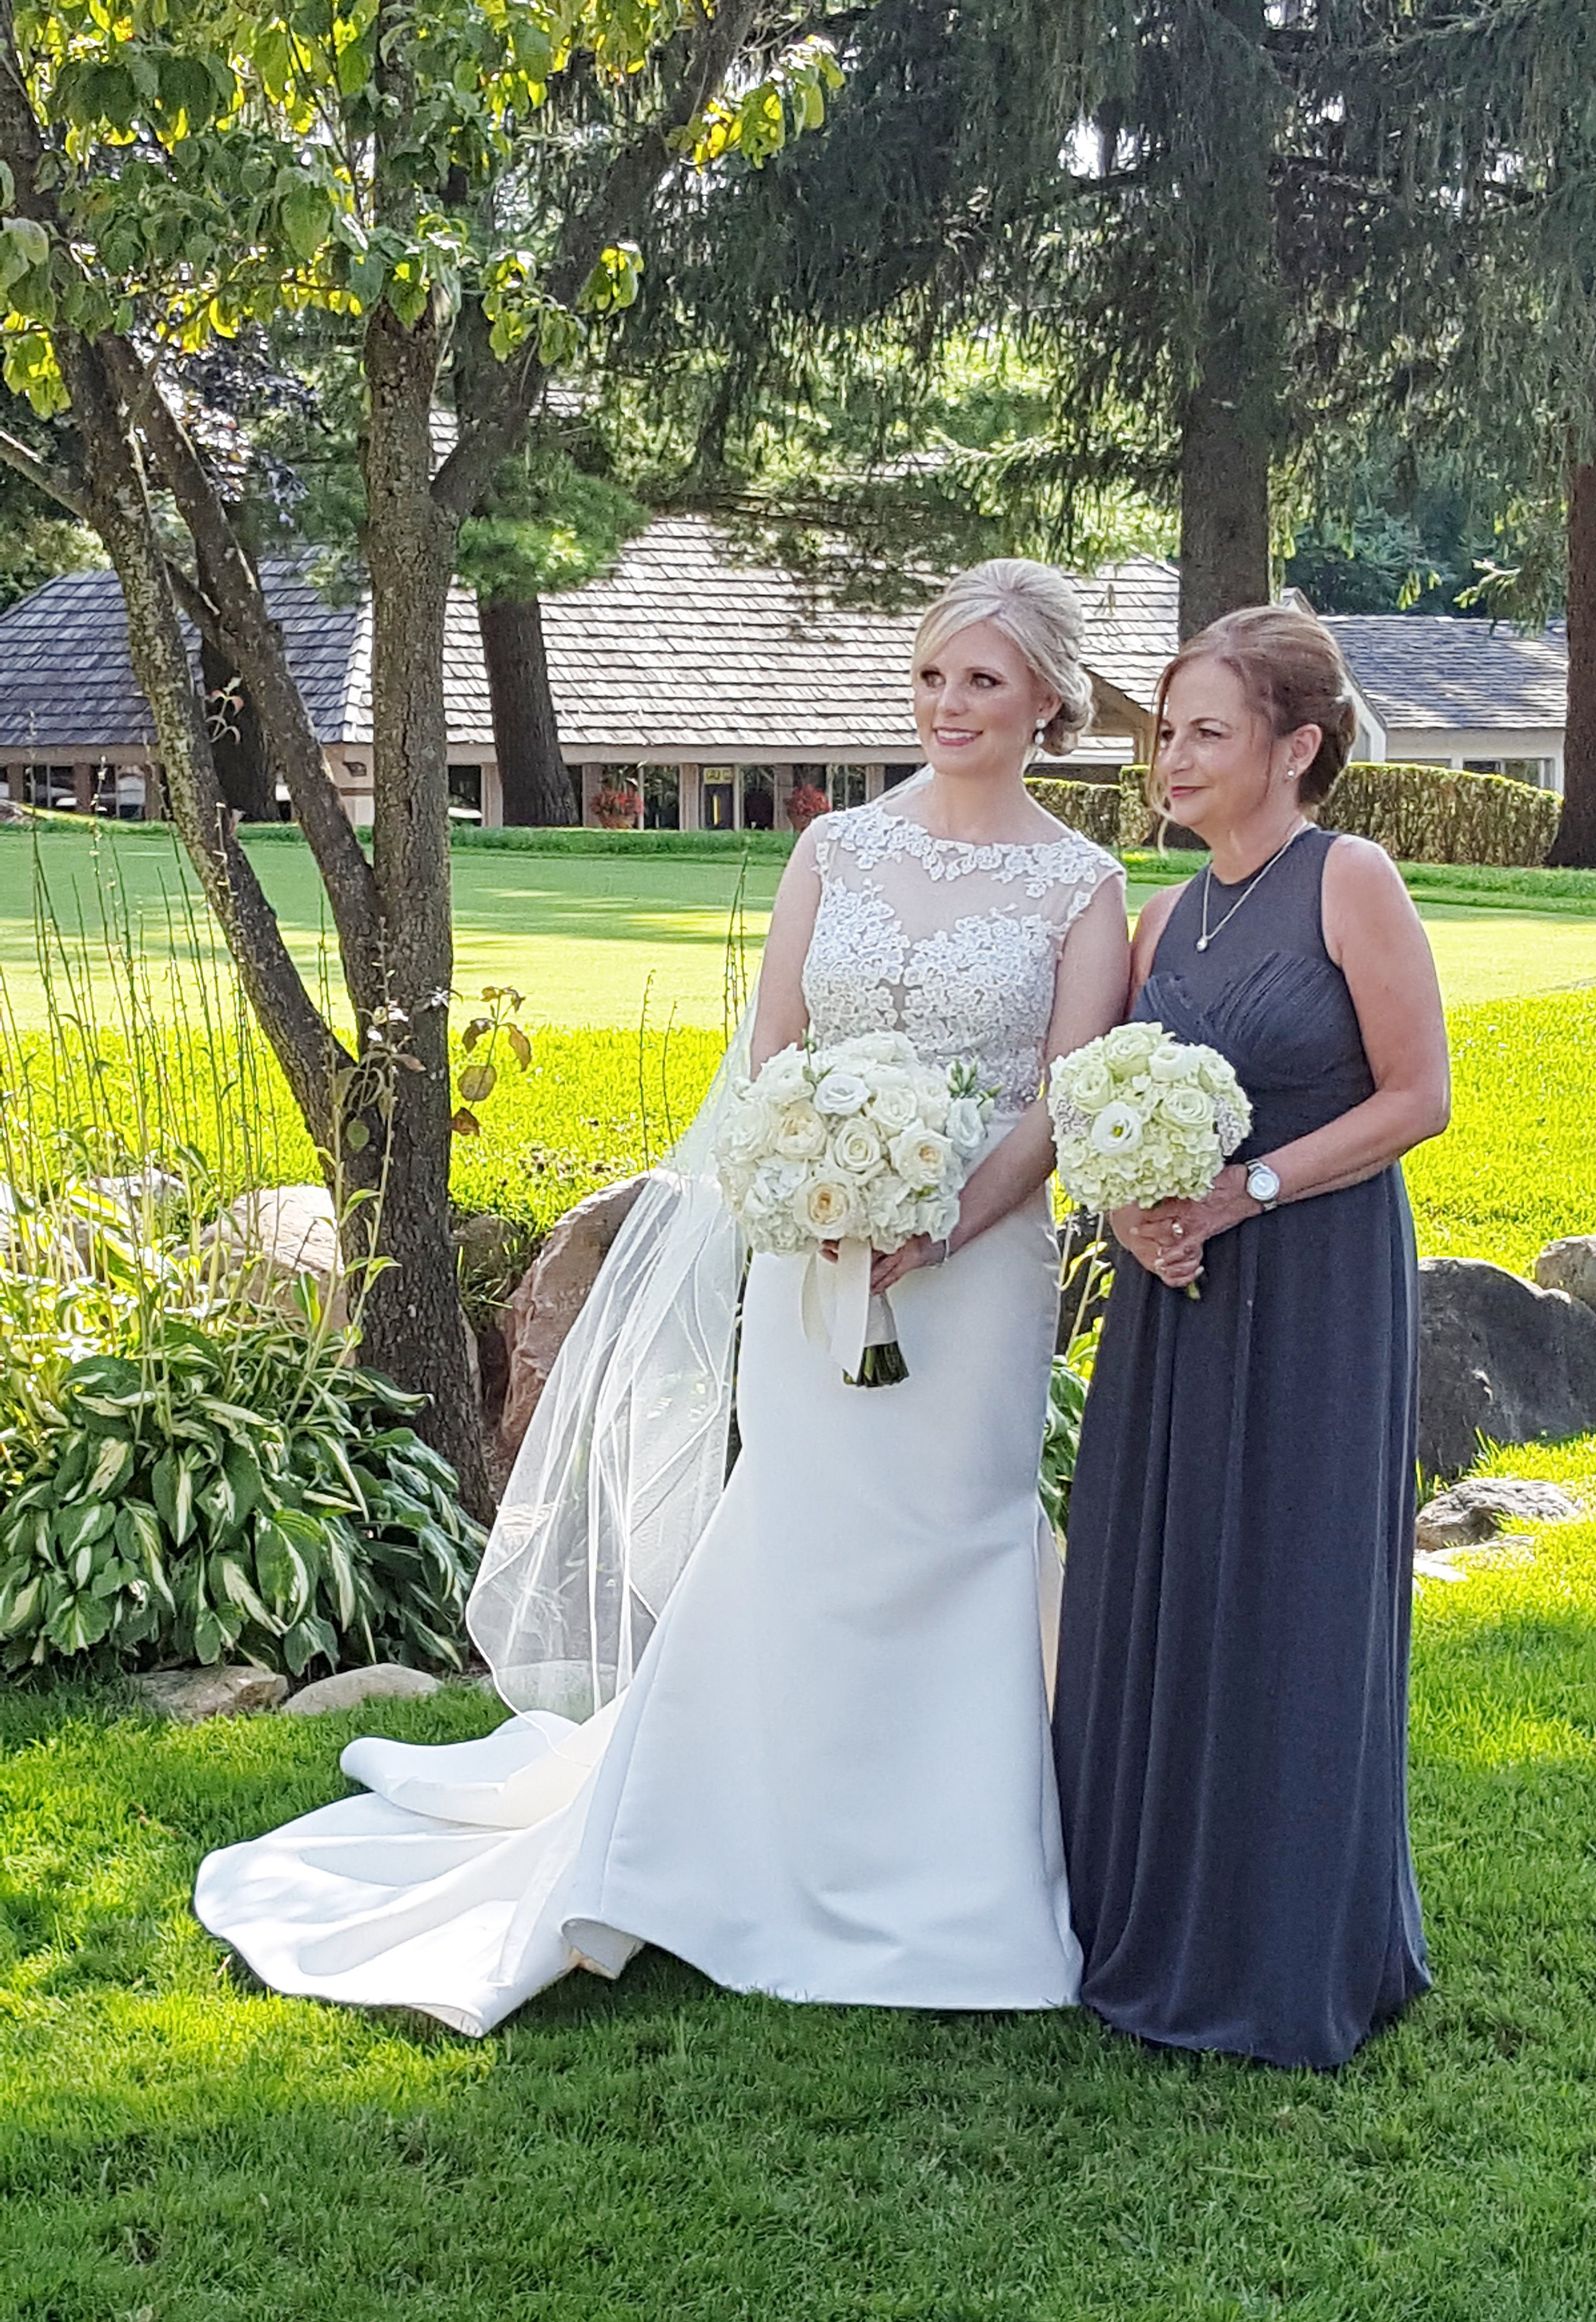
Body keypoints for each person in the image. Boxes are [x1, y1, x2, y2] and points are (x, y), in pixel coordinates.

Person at [195, 559, 1129, 2035]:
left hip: (978, 1282)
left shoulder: (1085, 884)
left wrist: (938, 1222)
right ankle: (742, 1839)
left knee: (959, 1537)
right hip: (813, 1254)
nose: (949, 707)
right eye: (933, 677)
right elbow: (768, 1059)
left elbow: (1061, 1103)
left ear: (1049, 704)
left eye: (983, 682)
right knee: (804, 1530)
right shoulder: (838, 850)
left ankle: (953, 1876)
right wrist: (818, 1194)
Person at [1053, 604, 1449, 2070]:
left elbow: (1419, 1096)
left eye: (1205, 730)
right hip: (1174, 1298)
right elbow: (1094, 1103)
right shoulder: (1161, 915)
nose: (1172, 755)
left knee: (1288, 1586)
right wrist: (1137, 1213)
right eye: (1165, 729)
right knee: (1163, 1579)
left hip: (1314, 1281)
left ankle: (1286, 1943)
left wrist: (1246, 1190)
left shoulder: (1349, 880)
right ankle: (1146, 1918)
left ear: (1294, 747)